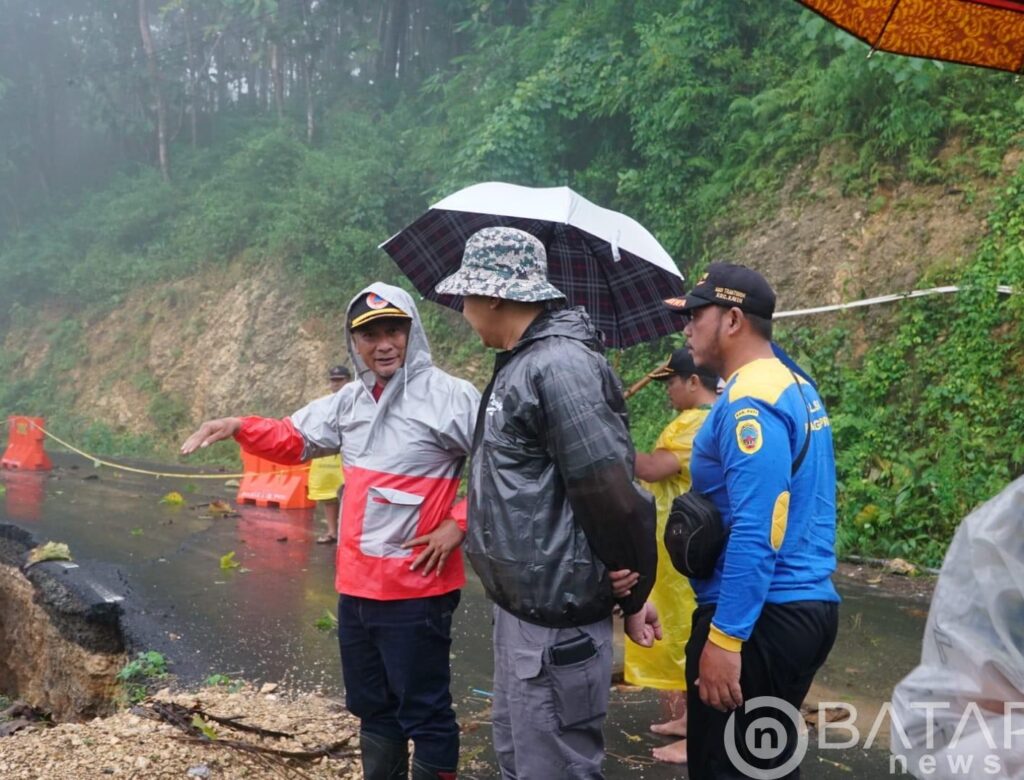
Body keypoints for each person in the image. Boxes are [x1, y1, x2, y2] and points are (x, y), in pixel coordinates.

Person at [181, 283, 479, 780]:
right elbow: (293, 438)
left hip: (417, 588)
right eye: (370, 335)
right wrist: (238, 425)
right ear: (354, 344)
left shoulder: (451, 397)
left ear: (413, 333)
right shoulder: (349, 402)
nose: (383, 344)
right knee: (372, 707)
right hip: (357, 587)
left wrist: (460, 523)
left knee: (425, 711)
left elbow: (506, 465)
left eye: (393, 331)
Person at [434, 226, 663, 780]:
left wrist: (635, 596)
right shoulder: (522, 362)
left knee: (554, 768)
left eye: (467, 296)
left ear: (494, 297)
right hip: (526, 610)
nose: (462, 309)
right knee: (521, 760)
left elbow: (611, 493)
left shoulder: (558, 367)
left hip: (557, 621)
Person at [663, 262, 840, 778]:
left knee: (730, 769)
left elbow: (760, 525)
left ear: (734, 320)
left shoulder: (749, 404)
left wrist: (725, 638)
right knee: (766, 766)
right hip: (793, 604)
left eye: (697, 314)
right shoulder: (790, 385)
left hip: (759, 616)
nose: (687, 327)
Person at [626, 348, 718, 765]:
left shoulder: (695, 424)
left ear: (694, 382)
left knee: (690, 638)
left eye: (673, 383)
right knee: (685, 635)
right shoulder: (711, 416)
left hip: (690, 549)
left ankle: (698, 737)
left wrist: (602, 436)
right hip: (690, 542)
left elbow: (648, 469)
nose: (668, 392)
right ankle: (687, 721)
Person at [306, 364, 351, 544]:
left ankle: (347, 534)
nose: (336, 384)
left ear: (348, 381)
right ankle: (332, 532)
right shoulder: (324, 404)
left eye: (340, 380)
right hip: (326, 456)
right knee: (328, 496)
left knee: (350, 496)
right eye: (333, 381)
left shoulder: (359, 401)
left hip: (348, 456)